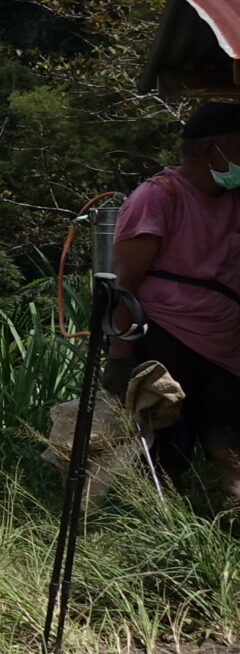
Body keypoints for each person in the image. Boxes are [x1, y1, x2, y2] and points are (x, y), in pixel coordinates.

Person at [110, 101, 240, 502]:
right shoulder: (158, 197)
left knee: (230, 449)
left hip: (226, 351)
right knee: (168, 453)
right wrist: (120, 358)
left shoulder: (234, 199)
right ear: (211, 150)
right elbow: (122, 286)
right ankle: (163, 528)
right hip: (167, 344)